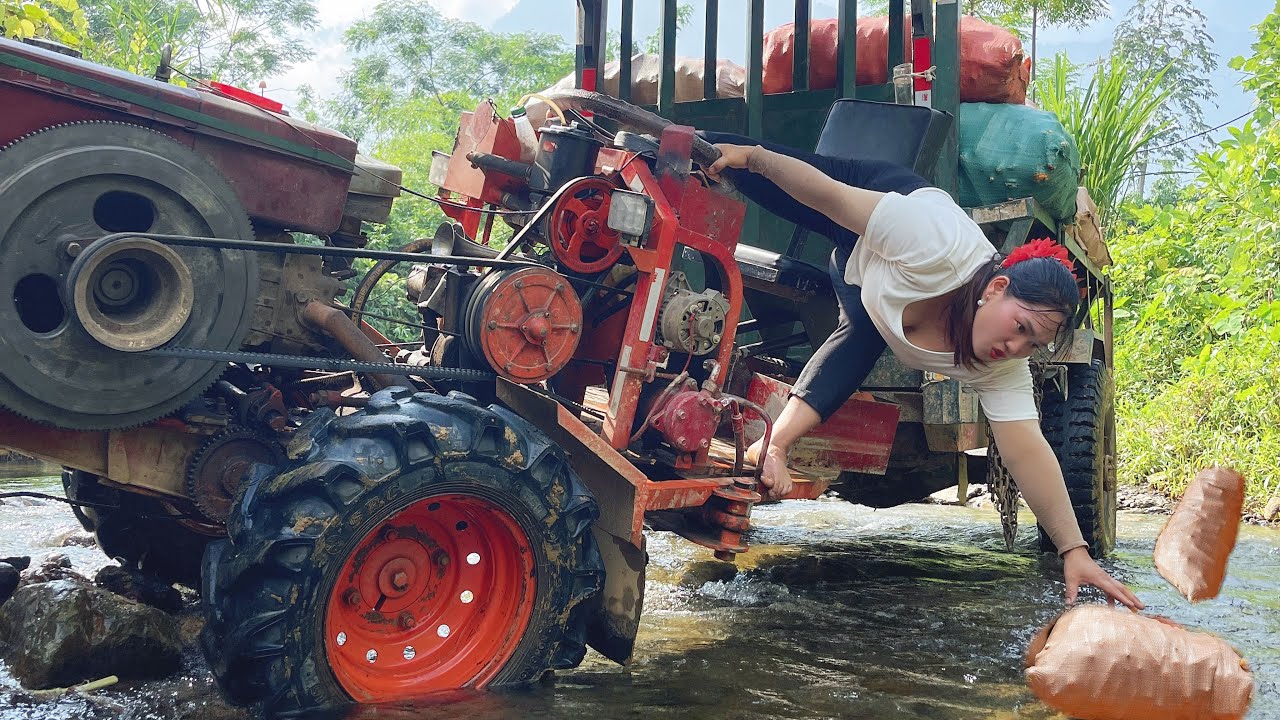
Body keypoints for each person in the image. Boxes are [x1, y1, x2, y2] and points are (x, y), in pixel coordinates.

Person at [703, 133, 1144, 611]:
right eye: (1019, 327)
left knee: (862, 337)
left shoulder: (1003, 366)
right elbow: (826, 194)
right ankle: (678, 139)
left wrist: (1073, 551)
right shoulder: (931, 242)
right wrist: (755, 159)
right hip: (879, 208)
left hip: (872, 289)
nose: (1014, 347)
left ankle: (771, 447)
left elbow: (1028, 454)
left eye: (1031, 345)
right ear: (996, 288)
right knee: (752, 167)